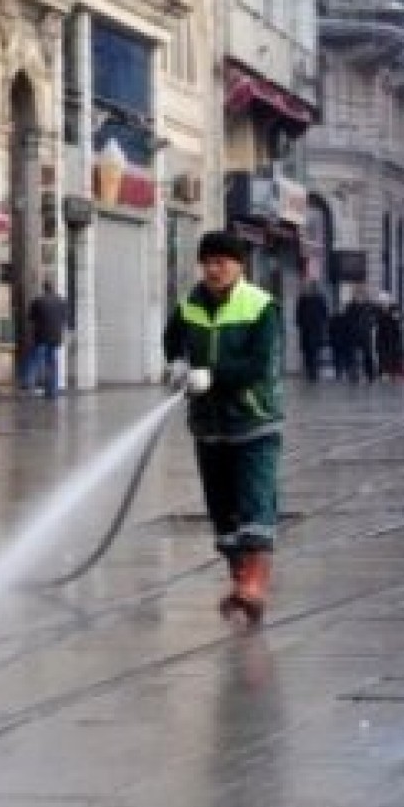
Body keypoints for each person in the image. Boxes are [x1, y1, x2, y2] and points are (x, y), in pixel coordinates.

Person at [163, 231, 284, 625]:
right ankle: (239, 581)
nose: (214, 269)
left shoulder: (261, 306)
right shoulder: (189, 305)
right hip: (208, 425)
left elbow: (257, 366)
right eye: (208, 262)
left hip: (253, 422)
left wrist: (209, 376)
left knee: (255, 505)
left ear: (239, 265)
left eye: (222, 262)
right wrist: (177, 363)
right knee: (222, 513)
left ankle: (254, 585)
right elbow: (172, 341)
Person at [24, 279, 69, 399]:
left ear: (44, 288)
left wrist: (29, 337)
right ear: (53, 288)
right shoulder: (61, 302)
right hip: (55, 338)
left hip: (41, 337)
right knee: (52, 363)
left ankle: (30, 385)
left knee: (35, 360)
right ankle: (52, 391)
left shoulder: (38, 301)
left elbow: (30, 320)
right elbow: (64, 320)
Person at [294, 281, 330, 383]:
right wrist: (300, 324)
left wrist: (323, 326)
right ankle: (310, 371)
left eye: (311, 287)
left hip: (315, 329)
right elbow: (299, 313)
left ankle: (313, 372)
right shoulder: (303, 299)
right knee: (307, 351)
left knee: (314, 351)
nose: (309, 289)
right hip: (306, 329)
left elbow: (325, 314)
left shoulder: (319, 299)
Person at [346, 286, 379, 383]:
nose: (358, 296)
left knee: (368, 354)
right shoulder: (350, 307)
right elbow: (347, 319)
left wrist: (370, 324)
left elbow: (375, 317)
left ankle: (370, 375)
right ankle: (354, 374)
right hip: (353, 334)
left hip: (365, 333)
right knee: (352, 355)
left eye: (360, 294)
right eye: (356, 294)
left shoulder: (369, 306)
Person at [377, 296, 404, 381]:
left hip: (393, 339)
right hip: (384, 339)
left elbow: (400, 320)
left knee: (394, 355)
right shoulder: (380, 314)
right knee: (384, 356)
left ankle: (393, 372)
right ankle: (385, 372)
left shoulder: (394, 312)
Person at [328, 308, 353, 381]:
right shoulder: (348, 320)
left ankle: (339, 372)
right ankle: (349, 371)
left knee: (338, 357)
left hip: (337, 341)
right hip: (346, 341)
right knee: (347, 357)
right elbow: (350, 330)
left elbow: (330, 331)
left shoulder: (333, 320)